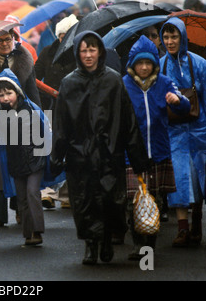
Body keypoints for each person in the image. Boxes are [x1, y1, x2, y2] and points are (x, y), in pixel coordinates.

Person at [50, 31, 149, 265]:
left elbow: (128, 121)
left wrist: (138, 159)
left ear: (100, 52)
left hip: (109, 154)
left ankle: (105, 240)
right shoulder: (69, 83)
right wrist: (56, 158)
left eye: (92, 49)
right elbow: (61, 124)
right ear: (77, 53)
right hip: (79, 156)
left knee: (110, 202)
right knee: (84, 203)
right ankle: (90, 245)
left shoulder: (114, 80)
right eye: (83, 50)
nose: (88, 55)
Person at [123, 35, 190, 260]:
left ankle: (149, 243)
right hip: (132, 154)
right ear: (133, 64)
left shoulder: (163, 82)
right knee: (134, 201)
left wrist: (178, 101)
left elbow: (185, 106)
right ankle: (137, 243)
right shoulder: (124, 84)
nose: (144, 67)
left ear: (154, 64)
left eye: (148, 63)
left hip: (159, 152)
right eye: (140, 63)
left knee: (154, 200)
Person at [159, 18, 206, 247]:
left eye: (174, 37)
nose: (170, 41)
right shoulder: (160, 65)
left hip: (199, 131)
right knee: (178, 180)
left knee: (199, 180)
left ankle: (197, 224)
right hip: (174, 134)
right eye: (166, 37)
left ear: (182, 37)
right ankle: (183, 229)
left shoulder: (200, 64)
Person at [0, 26, 41, 227]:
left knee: (21, 163)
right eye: (0, 41)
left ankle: (20, 209)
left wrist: (39, 117)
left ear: (14, 39)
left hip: (22, 117)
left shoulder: (25, 58)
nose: (5, 43)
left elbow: (33, 91)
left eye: (8, 39)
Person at [0, 68, 46, 245]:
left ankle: (37, 231)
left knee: (32, 193)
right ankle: (28, 232)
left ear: (17, 91)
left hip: (34, 160)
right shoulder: (0, 114)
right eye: (1, 95)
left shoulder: (29, 109)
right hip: (16, 163)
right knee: (21, 197)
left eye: (9, 93)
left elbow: (40, 133)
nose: (6, 98)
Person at [35, 14, 78, 210]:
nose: (64, 39)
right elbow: (35, 76)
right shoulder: (47, 52)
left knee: (69, 149)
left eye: (68, 35)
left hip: (72, 108)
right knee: (48, 149)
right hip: (49, 106)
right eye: (62, 35)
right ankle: (48, 192)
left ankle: (67, 194)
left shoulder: (80, 53)